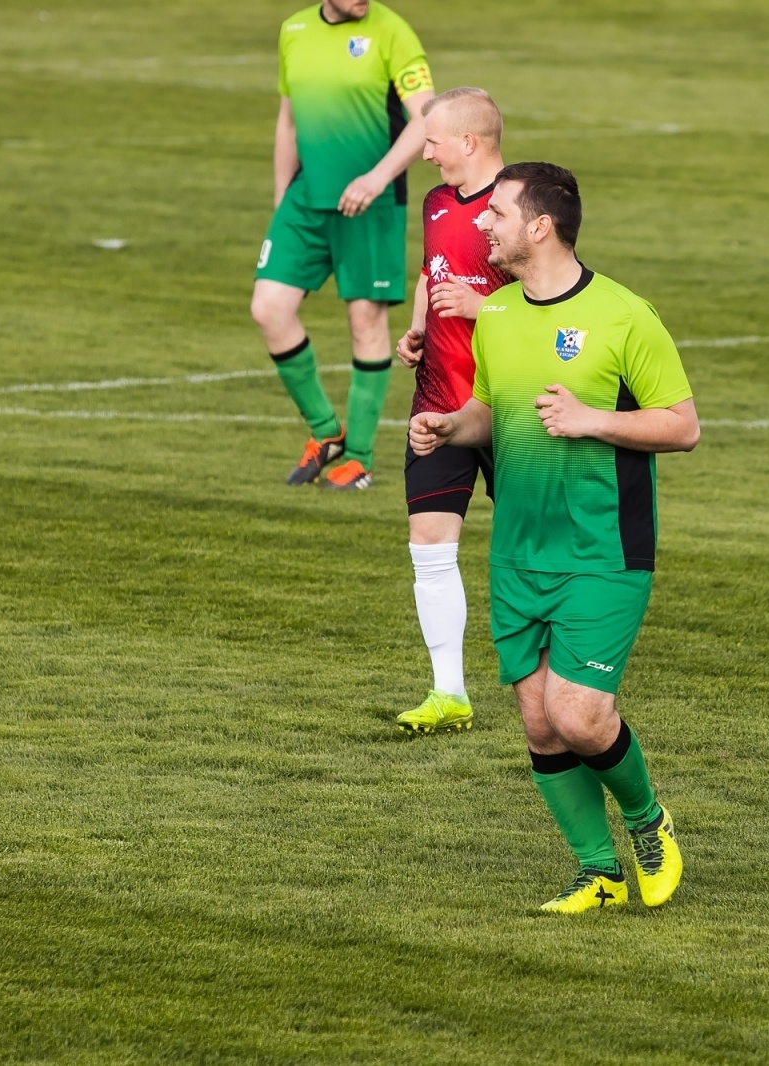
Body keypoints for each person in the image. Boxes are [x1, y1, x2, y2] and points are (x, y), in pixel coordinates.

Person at [409, 162, 701, 913]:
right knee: (539, 723)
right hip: (519, 549)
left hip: (603, 550)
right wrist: (451, 426)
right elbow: (490, 411)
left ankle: (649, 822)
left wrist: (591, 420)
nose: (482, 224)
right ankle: (597, 872)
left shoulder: (625, 315)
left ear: (540, 226)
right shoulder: (498, 315)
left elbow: (682, 425)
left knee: (579, 715)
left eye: (498, 213)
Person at [250, 0, 435, 490]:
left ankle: (359, 459)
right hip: (305, 199)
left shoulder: (393, 32)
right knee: (269, 308)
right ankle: (326, 432)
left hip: (371, 203)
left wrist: (377, 178)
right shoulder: (294, 31)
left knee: (364, 320)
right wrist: (280, 198)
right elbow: (288, 122)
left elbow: (426, 118)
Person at [391, 88, 511, 735]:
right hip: (439, 402)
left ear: (469, 142)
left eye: (434, 141)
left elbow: (553, 300)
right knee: (430, 544)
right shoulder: (438, 201)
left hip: (509, 404)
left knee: (534, 547)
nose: (426, 152)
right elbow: (431, 271)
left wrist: (481, 309)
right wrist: (418, 327)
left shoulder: (520, 207)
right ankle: (449, 692)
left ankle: (557, 678)